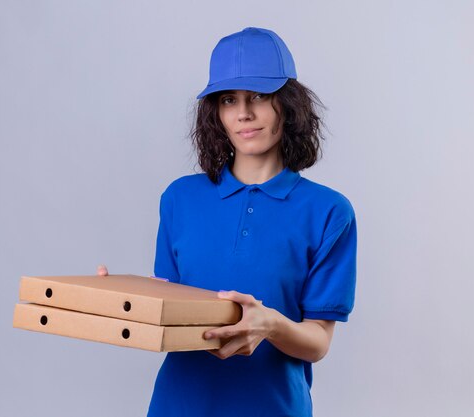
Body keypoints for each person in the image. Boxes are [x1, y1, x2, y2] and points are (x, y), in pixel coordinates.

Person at [99, 27, 356, 417]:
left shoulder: (329, 212)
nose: (243, 113)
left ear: (288, 104)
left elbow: (319, 341)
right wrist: (114, 300)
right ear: (215, 112)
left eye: (259, 96)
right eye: (228, 100)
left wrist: (270, 324)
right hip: (178, 406)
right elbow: (170, 313)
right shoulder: (179, 199)